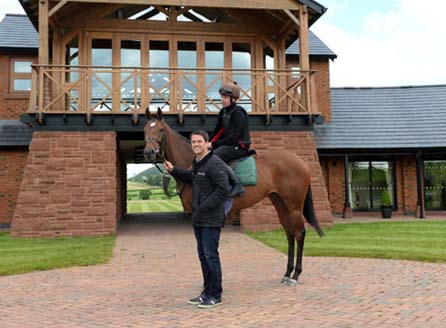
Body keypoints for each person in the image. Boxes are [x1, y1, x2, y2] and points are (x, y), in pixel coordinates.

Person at [163, 130, 230, 309]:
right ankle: (206, 292)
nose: (196, 145)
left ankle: (215, 295)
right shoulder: (198, 163)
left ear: (207, 143)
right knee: (203, 256)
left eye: (199, 141)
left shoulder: (215, 163)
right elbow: (191, 178)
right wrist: (174, 170)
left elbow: (223, 189)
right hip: (199, 219)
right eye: (193, 142)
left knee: (211, 256)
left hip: (211, 218)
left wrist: (204, 207)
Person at [210, 81, 251, 163]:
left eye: (225, 97)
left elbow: (233, 139)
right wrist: (208, 143)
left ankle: (223, 176)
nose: (222, 99)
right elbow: (217, 132)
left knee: (215, 156)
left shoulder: (239, 113)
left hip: (239, 147)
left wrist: (213, 145)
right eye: (222, 97)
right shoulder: (223, 112)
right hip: (228, 145)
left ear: (233, 99)